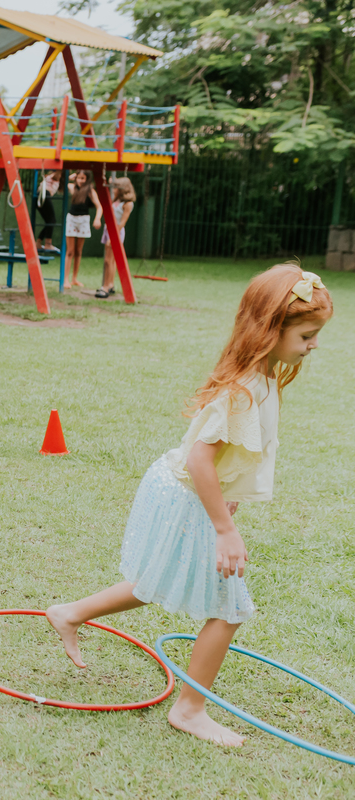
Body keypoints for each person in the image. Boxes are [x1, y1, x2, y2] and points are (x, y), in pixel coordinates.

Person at [47, 265, 333, 747]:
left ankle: (70, 612)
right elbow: (203, 461)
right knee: (230, 608)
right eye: (307, 335)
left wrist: (227, 510)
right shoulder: (242, 391)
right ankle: (189, 708)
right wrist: (224, 528)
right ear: (270, 330)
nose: (314, 345)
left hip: (191, 494)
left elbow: (226, 463)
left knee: (157, 580)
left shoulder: (260, 380)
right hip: (188, 496)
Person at [96, 177, 136, 299]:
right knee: (109, 260)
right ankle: (110, 285)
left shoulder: (128, 204)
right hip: (108, 229)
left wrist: (113, 237)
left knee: (109, 260)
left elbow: (122, 222)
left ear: (122, 189)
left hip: (117, 231)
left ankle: (106, 287)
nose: (114, 190)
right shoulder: (116, 200)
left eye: (116, 188)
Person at [65, 170, 102, 288]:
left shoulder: (90, 191)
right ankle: (65, 279)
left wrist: (97, 219)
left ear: (87, 179)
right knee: (70, 251)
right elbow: (63, 182)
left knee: (78, 251)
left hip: (84, 220)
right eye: (79, 178)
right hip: (72, 219)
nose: (80, 181)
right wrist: (72, 176)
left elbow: (99, 206)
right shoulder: (72, 187)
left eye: (83, 178)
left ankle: (74, 278)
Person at [36, 170, 61, 253]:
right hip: (45, 195)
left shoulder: (51, 176)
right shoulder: (55, 175)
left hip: (39, 196)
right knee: (52, 220)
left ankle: (38, 242)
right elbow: (56, 176)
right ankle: (48, 243)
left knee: (49, 221)